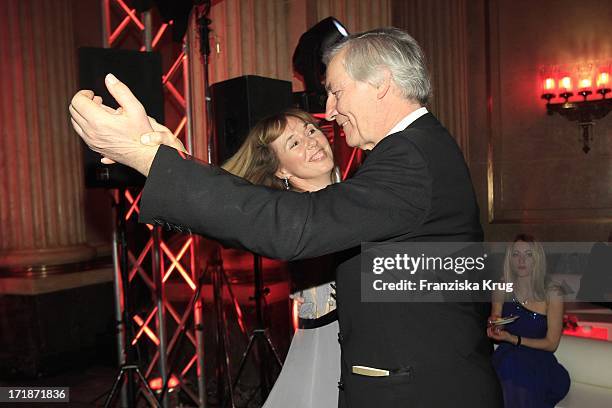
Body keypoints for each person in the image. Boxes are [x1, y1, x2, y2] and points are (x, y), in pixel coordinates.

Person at [70, 27, 503, 407]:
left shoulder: (409, 155)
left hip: (422, 393)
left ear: (381, 84)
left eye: (336, 91)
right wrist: (173, 159)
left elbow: (292, 227)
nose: (329, 111)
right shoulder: (413, 150)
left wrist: (149, 159)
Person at [221, 109, 341, 407]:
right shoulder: (294, 216)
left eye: (310, 131)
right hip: (329, 348)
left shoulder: (352, 199)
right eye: (294, 144)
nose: (311, 142)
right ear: (282, 171)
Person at [487, 234, 570, 408]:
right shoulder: (501, 287)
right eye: (516, 254)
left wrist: (514, 339)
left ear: (537, 259)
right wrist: (494, 326)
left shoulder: (553, 293)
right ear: (510, 259)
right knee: (510, 366)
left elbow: (551, 344)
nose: (521, 260)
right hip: (507, 356)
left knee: (516, 371)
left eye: (528, 254)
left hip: (540, 361)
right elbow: (496, 320)